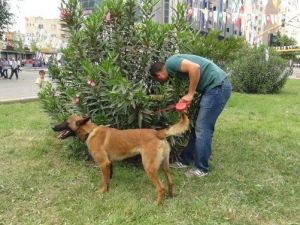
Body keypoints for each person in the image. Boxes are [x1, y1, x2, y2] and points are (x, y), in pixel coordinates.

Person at [150, 54, 232, 178]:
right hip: (212, 89)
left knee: (203, 128)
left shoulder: (170, 63)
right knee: (198, 127)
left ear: (158, 74)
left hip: (217, 87)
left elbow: (195, 68)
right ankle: (185, 160)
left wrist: (190, 94)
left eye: (159, 79)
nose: (161, 81)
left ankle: (201, 168)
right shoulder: (173, 68)